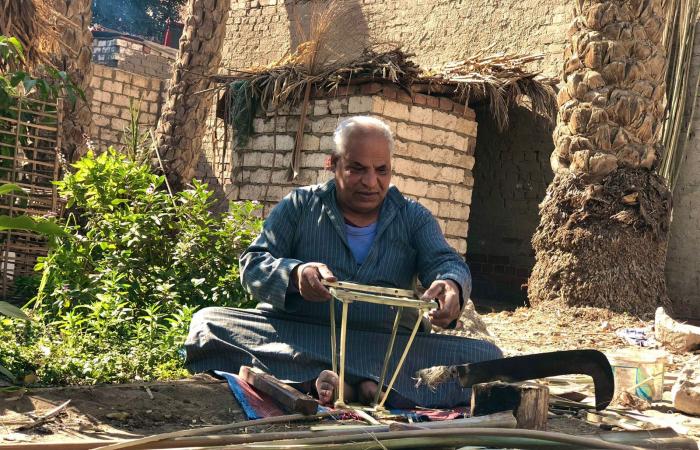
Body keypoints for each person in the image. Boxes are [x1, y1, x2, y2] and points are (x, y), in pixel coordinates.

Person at [185, 116, 502, 408]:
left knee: (487, 357)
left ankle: (324, 382)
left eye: (381, 170)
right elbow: (253, 265)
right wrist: (296, 274)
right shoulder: (299, 206)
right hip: (304, 336)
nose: (371, 182)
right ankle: (372, 387)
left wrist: (450, 286)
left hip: (388, 349)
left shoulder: (413, 217)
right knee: (208, 323)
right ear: (332, 164)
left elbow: (446, 261)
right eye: (357, 168)